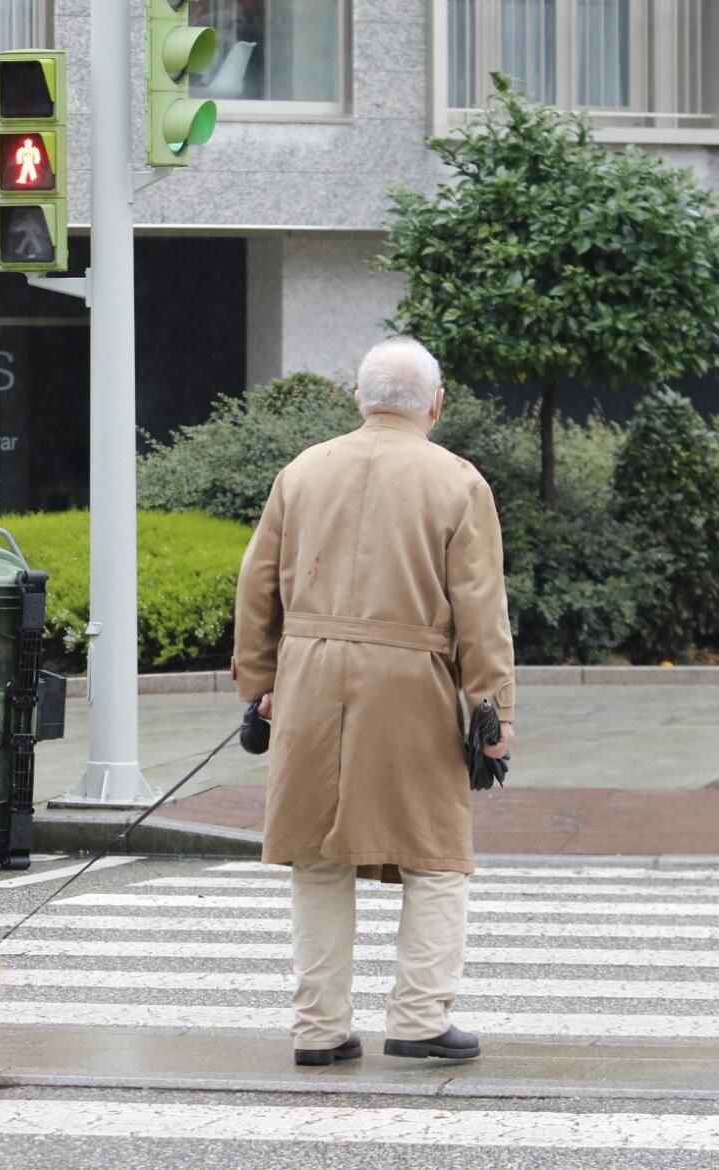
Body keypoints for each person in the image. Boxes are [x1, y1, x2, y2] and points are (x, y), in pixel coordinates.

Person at [232, 337, 516, 1067]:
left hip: (309, 673)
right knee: (436, 853)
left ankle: (318, 1029)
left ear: (358, 398)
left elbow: (257, 584)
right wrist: (493, 713)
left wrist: (260, 686)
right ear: (436, 404)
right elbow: (480, 610)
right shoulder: (457, 481)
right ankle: (419, 1017)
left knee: (316, 855)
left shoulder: (301, 472)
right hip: (411, 678)